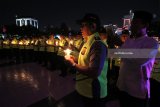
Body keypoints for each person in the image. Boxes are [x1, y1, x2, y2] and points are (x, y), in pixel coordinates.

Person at [116, 10, 159, 107]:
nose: (131, 25)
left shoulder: (151, 43)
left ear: (145, 25)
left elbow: (140, 59)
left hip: (138, 91)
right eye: (132, 22)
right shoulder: (129, 40)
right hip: (122, 87)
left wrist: (122, 50)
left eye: (135, 23)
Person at [65, 13, 108, 107]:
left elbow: (94, 72)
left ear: (92, 26)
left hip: (93, 93)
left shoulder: (97, 44)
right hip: (84, 89)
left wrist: (73, 64)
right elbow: (85, 60)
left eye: (83, 25)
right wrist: (75, 59)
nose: (80, 29)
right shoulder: (88, 42)